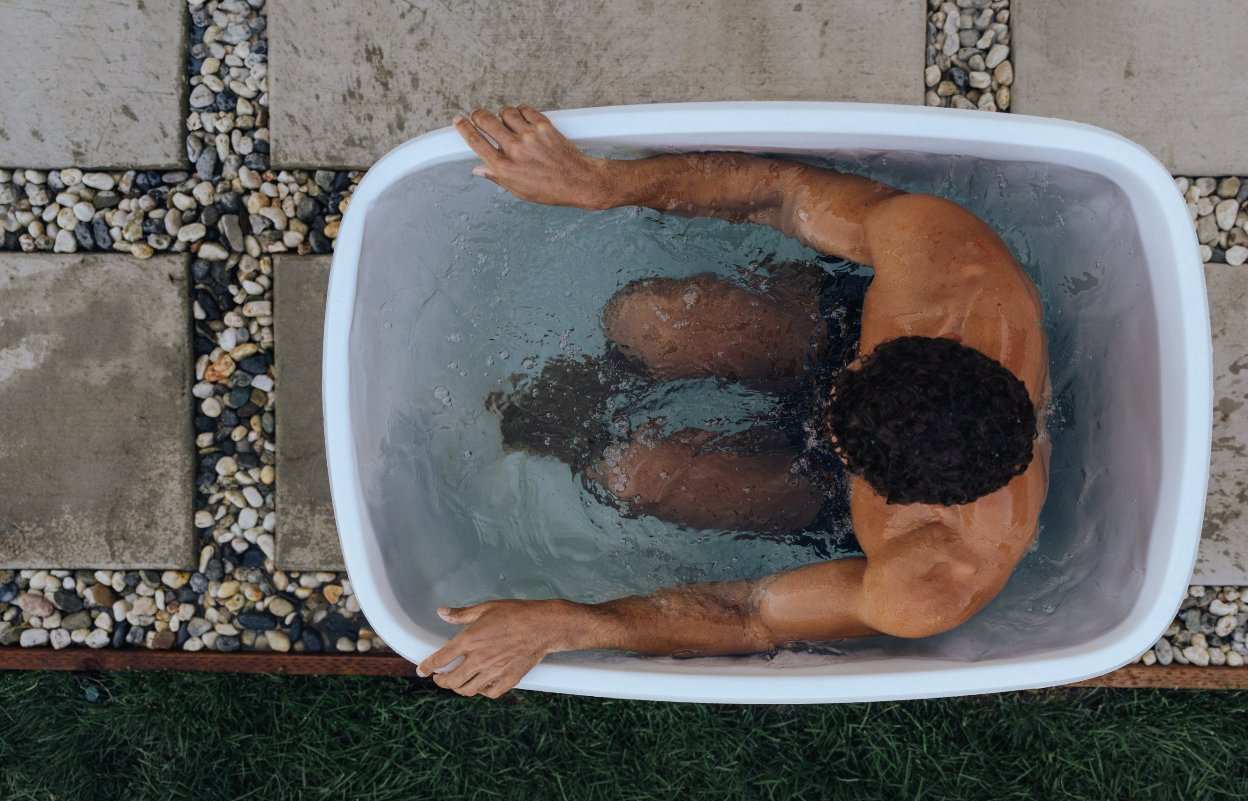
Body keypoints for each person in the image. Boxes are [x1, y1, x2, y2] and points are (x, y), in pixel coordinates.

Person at [418, 105, 1050, 698]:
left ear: (897, 495)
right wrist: (601, 184)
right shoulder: (944, 265)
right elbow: (783, 192)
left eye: (836, 430)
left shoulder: (933, 576)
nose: (819, 416)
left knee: (637, 478)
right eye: (853, 379)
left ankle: (562, 433)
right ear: (917, 343)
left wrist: (571, 627)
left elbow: (750, 616)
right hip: (834, 331)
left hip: (825, 496)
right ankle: (608, 374)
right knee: (652, 324)